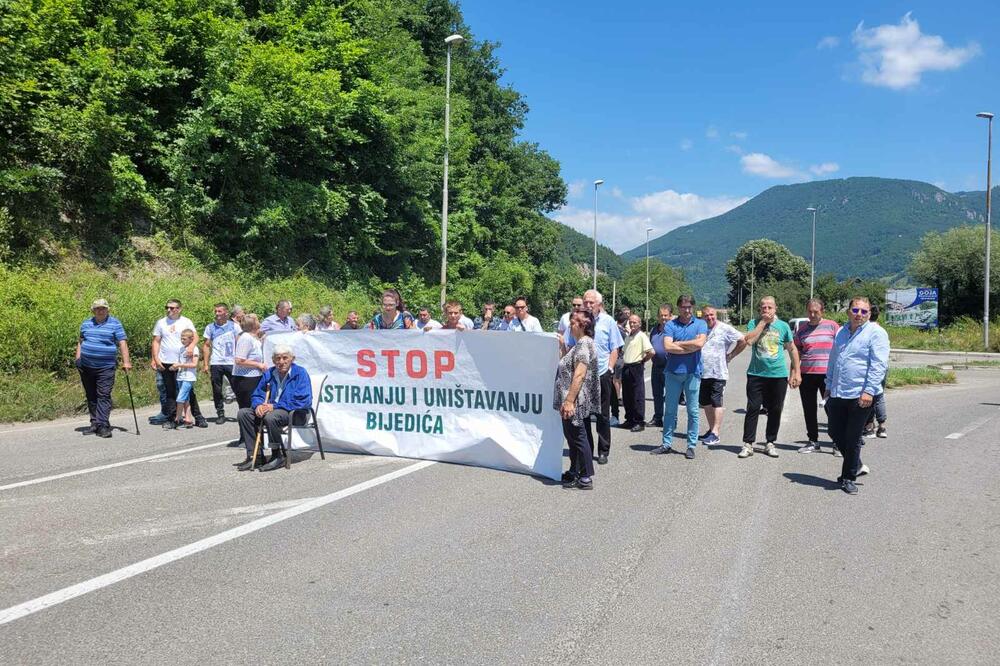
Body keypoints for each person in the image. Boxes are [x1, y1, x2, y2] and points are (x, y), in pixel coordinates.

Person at [825, 297, 889, 494]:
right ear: (848, 312)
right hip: (838, 391)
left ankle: (848, 477)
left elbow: (879, 364)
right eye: (855, 310)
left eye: (863, 311)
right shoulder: (841, 332)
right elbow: (834, 360)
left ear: (869, 313)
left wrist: (869, 390)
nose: (859, 314)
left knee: (852, 437)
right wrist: (828, 384)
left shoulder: (876, 333)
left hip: (861, 394)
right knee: (835, 432)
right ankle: (857, 464)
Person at [738, 296, 801, 459]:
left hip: (778, 374)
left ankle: (770, 442)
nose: (766, 310)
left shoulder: (783, 326)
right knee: (753, 408)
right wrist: (762, 323)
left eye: (769, 307)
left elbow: (792, 349)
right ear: (760, 310)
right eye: (763, 307)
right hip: (756, 374)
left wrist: (797, 372)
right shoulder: (754, 323)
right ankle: (748, 444)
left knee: (775, 409)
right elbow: (749, 341)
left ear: (775, 309)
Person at [566, 289, 623, 465]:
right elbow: (569, 345)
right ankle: (587, 449)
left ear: (599, 304)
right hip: (582, 377)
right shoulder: (578, 322)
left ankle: (603, 450)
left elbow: (615, 347)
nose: (588, 305)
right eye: (586, 302)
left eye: (592, 302)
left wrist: (610, 368)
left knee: (602, 415)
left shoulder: (608, 322)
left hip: (601, 374)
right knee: (583, 415)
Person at [235, 345, 314, 472]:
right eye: (278, 359)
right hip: (271, 409)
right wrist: (258, 405)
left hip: (294, 413)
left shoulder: (300, 373)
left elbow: (303, 400)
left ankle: (277, 455)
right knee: (244, 413)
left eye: (285, 358)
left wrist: (275, 406)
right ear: (273, 360)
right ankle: (255, 456)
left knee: (271, 416)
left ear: (292, 359)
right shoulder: (269, 373)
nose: (281, 362)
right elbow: (257, 394)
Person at [649, 295, 709, 459]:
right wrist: (690, 345)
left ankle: (691, 446)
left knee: (693, 411)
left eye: (689, 307)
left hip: (692, 373)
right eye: (683, 307)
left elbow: (700, 344)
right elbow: (667, 346)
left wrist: (679, 344)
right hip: (673, 373)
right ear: (678, 308)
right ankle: (666, 443)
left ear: (693, 307)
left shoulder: (700, 324)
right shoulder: (671, 325)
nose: (687, 310)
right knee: (670, 411)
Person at [554, 309, 600, 490]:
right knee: (572, 437)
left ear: (583, 325)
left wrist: (569, 401)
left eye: (573, 322)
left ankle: (586, 475)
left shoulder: (583, 344)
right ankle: (574, 471)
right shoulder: (578, 344)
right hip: (572, 399)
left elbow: (579, 374)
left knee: (579, 437)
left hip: (576, 400)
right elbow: (568, 364)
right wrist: (563, 345)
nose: (570, 325)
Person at [75, 298, 131, 438]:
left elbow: (122, 343)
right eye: (97, 308)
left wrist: (126, 362)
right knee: (91, 395)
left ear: (108, 310)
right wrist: (78, 359)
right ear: (93, 310)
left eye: (103, 308)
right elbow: (81, 342)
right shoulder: (86, 323)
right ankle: (94, 423)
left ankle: (103, 425)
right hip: (86, 366)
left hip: (105, 367)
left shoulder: (115, 323)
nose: (100, 311)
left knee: (103, 395)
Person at [151, 299, 207, 428]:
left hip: (182, 362)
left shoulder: (186, 321)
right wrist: (155, 358)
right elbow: (156, 341)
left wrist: (192, 347)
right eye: (167, 307)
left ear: (179, 309)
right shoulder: (161, 323)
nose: (169, 310)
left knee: (187, 390)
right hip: (166, 360)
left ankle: (198, 416)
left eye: (172, 308)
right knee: (170, 391)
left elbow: (195, 336)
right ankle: (172, 418)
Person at [794, 299, 839, 453]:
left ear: (822, 311)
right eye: (810, 312)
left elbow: (841, 349)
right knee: (809, 409)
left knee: (831, 409)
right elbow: (797, 353)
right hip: (807, 374)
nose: (812, 315)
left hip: (828, 375)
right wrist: (794, 372)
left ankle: (837, 443)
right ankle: (813, 441)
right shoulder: (801, 330)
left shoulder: (833, 326)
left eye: (816, 312)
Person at [696, 305, 746, 446]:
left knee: (716, 401)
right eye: (706, 315)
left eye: (712, 315)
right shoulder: (701, 329)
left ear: (716, 315)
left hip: (718, 372)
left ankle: (716, 434)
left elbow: (743, 340)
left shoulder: (725, 328)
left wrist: (731, 355)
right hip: (703, 372)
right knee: (705, 402)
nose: (709, 317)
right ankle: (711, 429)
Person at [202, 303, 239, 425]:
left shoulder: (234, 326)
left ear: (226, 313)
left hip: (231, 362)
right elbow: (206, 346)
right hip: (216, 362)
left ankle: (243, 411)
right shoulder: (210, 328)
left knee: (237, 387)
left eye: (219, 311)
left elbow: (240, 343)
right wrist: (206, 364)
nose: (217, 314)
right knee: (217, 389)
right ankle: (220, 413)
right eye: (216, 311)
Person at [621, 313, 654, 431]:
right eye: (630, 322)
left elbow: (651, 352)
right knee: (627, 395)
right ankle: (629, 419)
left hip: (636, 366)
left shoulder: (641, 336)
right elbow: (624, 351)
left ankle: (639, 421)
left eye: (635, 322)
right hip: (627, 367)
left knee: (637, 395)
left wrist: (643, 360)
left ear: (639, 324)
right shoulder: (628, 336)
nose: (632, 324)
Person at [863, 303, 889, 439]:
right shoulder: (880, 329)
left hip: (871, 368)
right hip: (882, 368)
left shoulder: (867, 330)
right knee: (879, 396)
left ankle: (869, 426)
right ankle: (882, 426)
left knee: (871, 395)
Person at [232, 314, 266, 411]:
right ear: (253, 325)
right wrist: (258, 364)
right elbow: (239, 360)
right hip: (245, 379)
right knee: (247, 407)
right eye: (258, 321)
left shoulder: (253, 338)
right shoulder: (246, 338)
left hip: (254, 376)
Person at [648, 304, 673, 428]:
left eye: (666, 315)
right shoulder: (654, 330)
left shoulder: (673, 329)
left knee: (670, 395)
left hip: (670, 367)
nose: (663, 318)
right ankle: (658, 417)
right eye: (661, 315)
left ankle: (671, 419)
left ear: (671, 316)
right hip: (656, 366)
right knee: (657, 394)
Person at [170, 329, 199, 429]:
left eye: (184, 339)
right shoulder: (181, 349)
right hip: (181, 376)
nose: (182, 340)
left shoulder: (194, 349)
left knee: (180, 398)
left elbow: (194, 364)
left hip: (189, 377)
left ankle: (177, 419)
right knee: (186, 399)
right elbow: (179, 362)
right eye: (181, 338)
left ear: (191, 339)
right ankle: (188, 420)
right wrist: (175, 366)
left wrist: (180, 364)